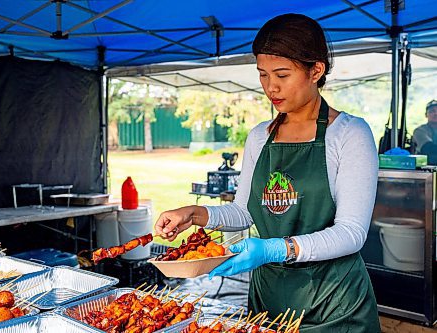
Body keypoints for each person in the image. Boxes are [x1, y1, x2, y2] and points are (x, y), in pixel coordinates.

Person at [155, 13, 381, 332]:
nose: (270, 87)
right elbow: (245, 211)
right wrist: (194, 214)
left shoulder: (349, 134)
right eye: (262, 75)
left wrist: (276, 248)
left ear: (316, 70)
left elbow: (351, 233)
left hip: (332, 301)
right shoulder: (261, 135)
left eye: (282, 74)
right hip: (268, 297)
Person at [412, 100, 437, 164]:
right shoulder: (419, 131)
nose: (436, 113)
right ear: (426, 115)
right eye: (432, 111)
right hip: (426, 168)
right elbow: (428, 148)